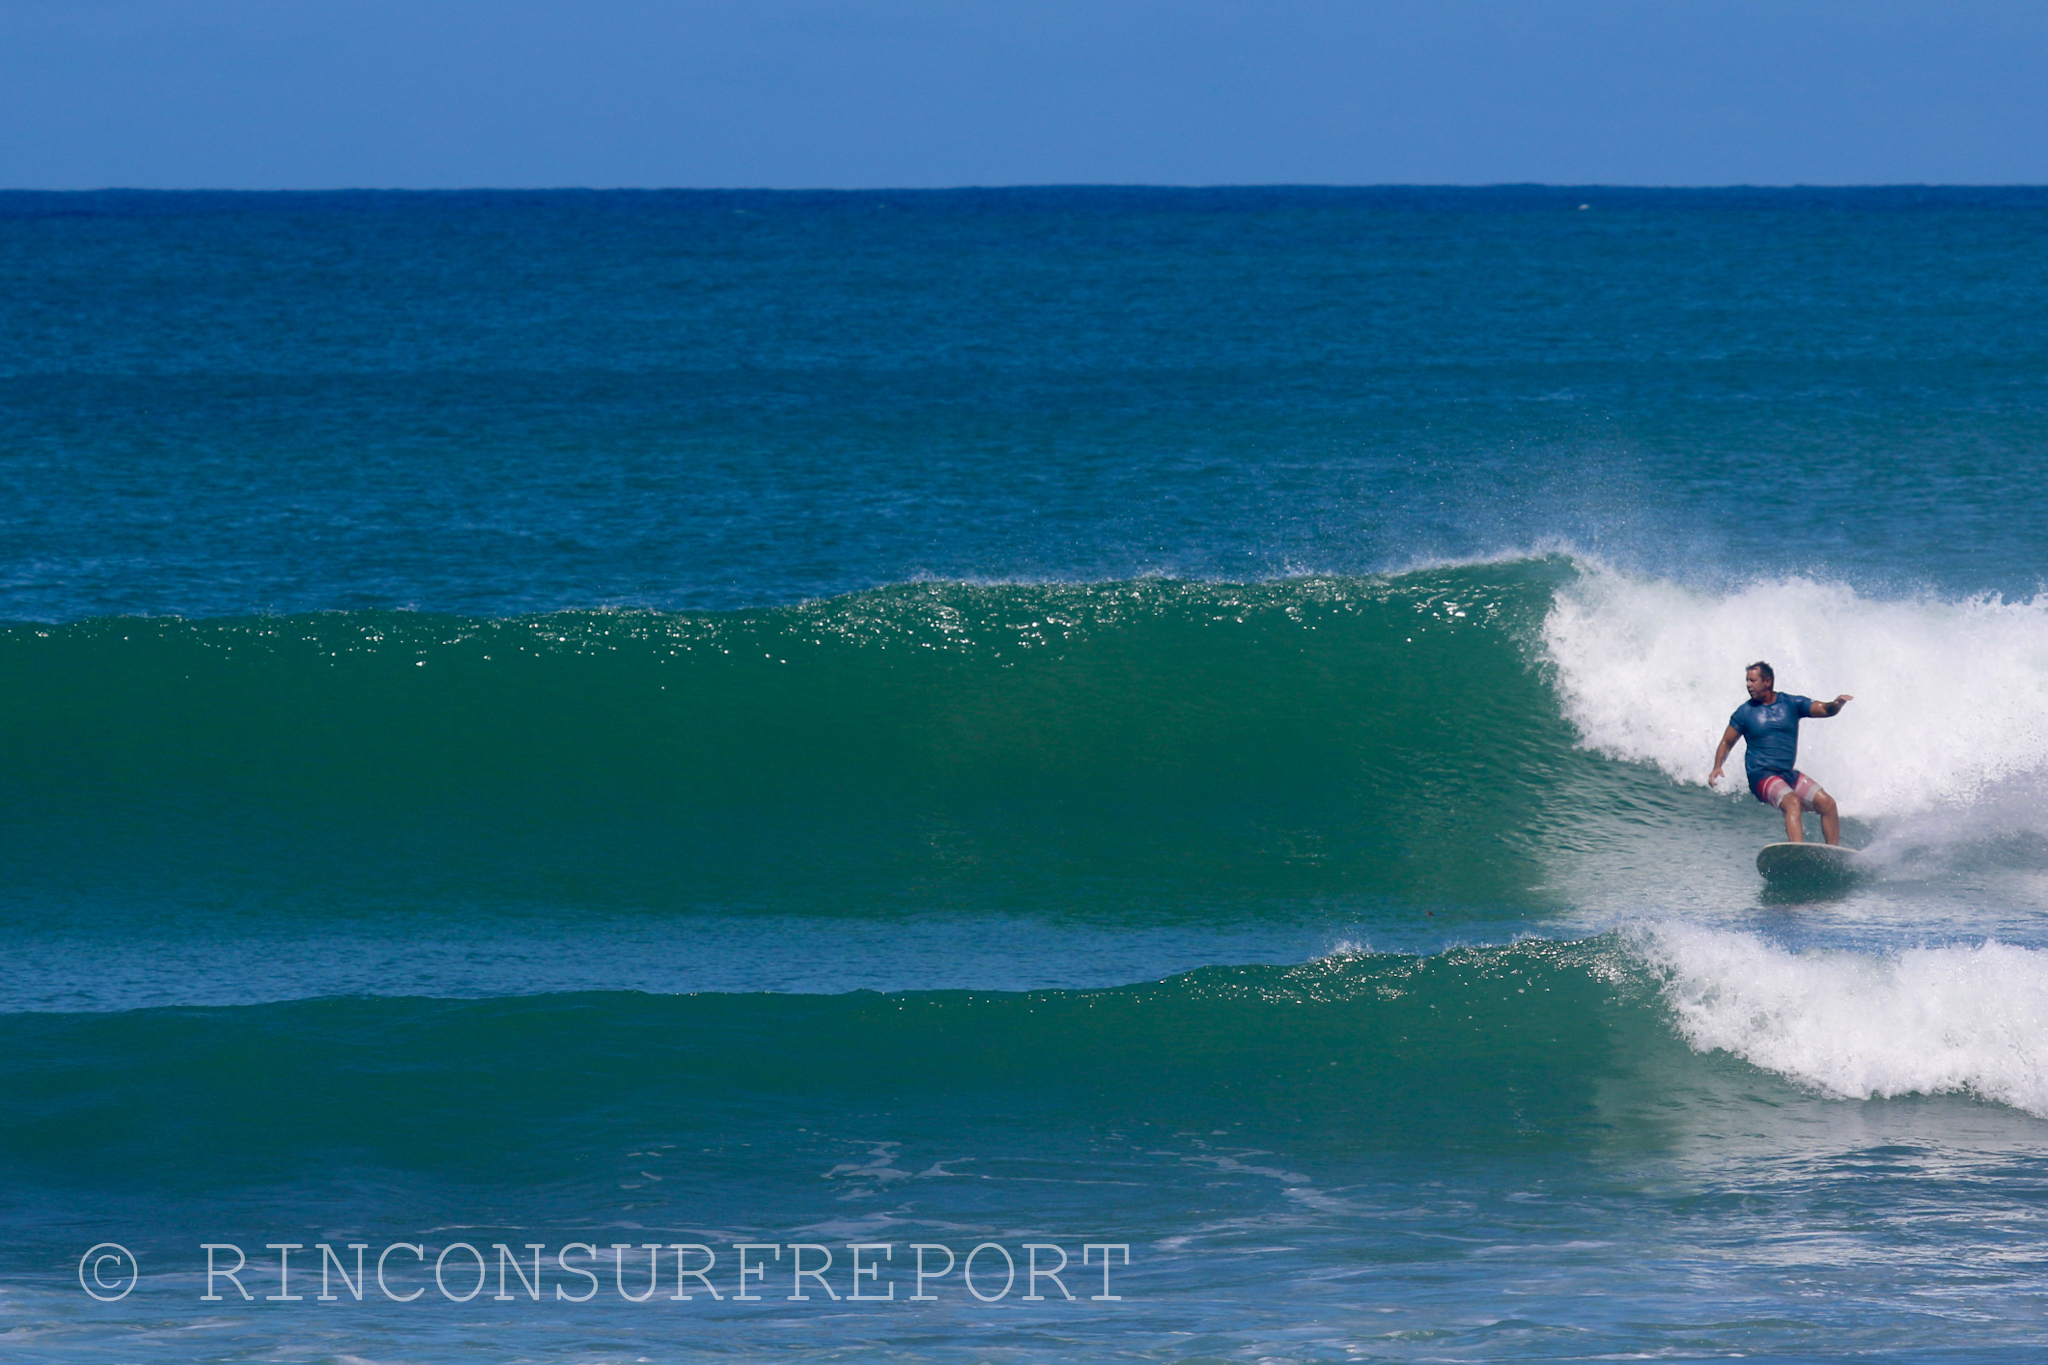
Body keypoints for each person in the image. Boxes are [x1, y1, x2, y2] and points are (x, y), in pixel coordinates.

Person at [1708, 661, 1853, 845]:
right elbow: (1726, 742)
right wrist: (1717, 766)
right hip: (1761, 775)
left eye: (1752, 680)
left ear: (1767, 681)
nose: (1748, 685)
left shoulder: (1791, 704)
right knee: (1792, 802)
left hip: (1786, 774)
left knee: (1828, 804)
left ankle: (1833, 854)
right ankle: (1796, 851)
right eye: (1747, 680)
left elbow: (1825, 709)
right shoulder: (1744, 713)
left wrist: (1837, 704)